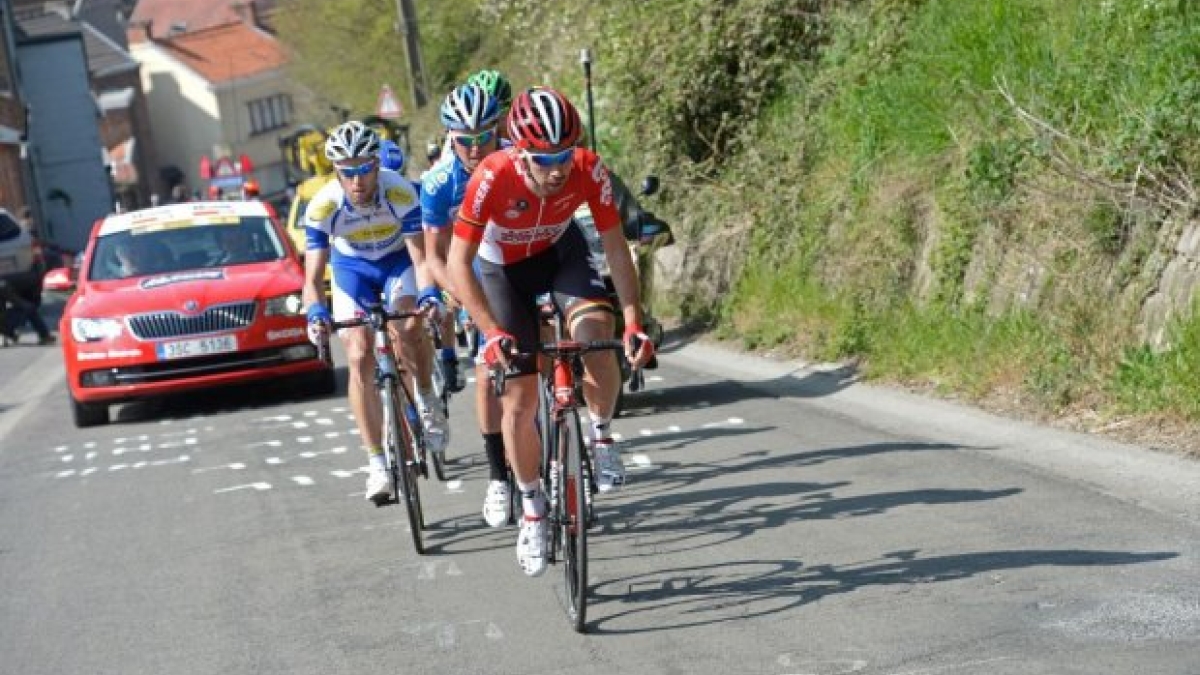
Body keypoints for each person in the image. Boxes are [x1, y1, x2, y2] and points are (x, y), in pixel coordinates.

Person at [447, 86, 654, 576]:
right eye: (544, 159)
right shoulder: (490, 176)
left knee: (594, 334)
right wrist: (490, 331)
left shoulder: (587, 168)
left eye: (564, 155)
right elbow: (458, 262)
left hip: (560, 257)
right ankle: (534, 509)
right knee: (518, 400)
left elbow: (616, 248)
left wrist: (632, 323)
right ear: (519, 152)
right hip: (503, 273)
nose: (558, 169)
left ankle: (601, 436)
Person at [302, 120, 447, 503]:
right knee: (359, 354)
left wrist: (430, 294)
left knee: (407, 327)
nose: (357, 180)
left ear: (376, 164)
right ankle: (377, 462)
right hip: (352, 271)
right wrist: (315, 312)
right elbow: (313, 277)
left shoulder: (399, 192)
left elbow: (421, 258)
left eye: (365, 168)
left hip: (397, 263)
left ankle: (427, 396)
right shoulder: (323, 206)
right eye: (347, 172)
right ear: (336, 172)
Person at [419, 82, 510, 527]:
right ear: (448, 136)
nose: (476, 149)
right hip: (470, 269)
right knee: (489, 369)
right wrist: (452, 290)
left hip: (519, 260)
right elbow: (433, 255)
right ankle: (498, 476)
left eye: (485, 137)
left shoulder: (518, 158)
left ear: (499, 130)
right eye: (464, 140)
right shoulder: (438, 183)